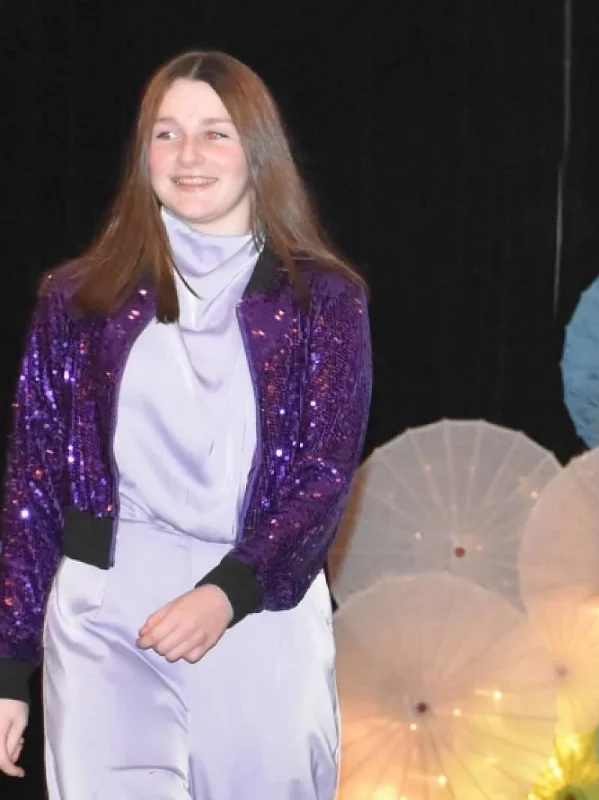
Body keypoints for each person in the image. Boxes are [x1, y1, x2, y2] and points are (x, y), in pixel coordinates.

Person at [0, 50, 372, 798]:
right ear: (144, 155)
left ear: (259, 151)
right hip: (105, 624)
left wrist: (228, 593)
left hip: (256, 612)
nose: (188, 155)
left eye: (216, 133)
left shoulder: (324, 301)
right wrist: (8, 670)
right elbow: (32, 484)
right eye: (166, 134)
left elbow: (324, 479)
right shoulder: (77, 298)